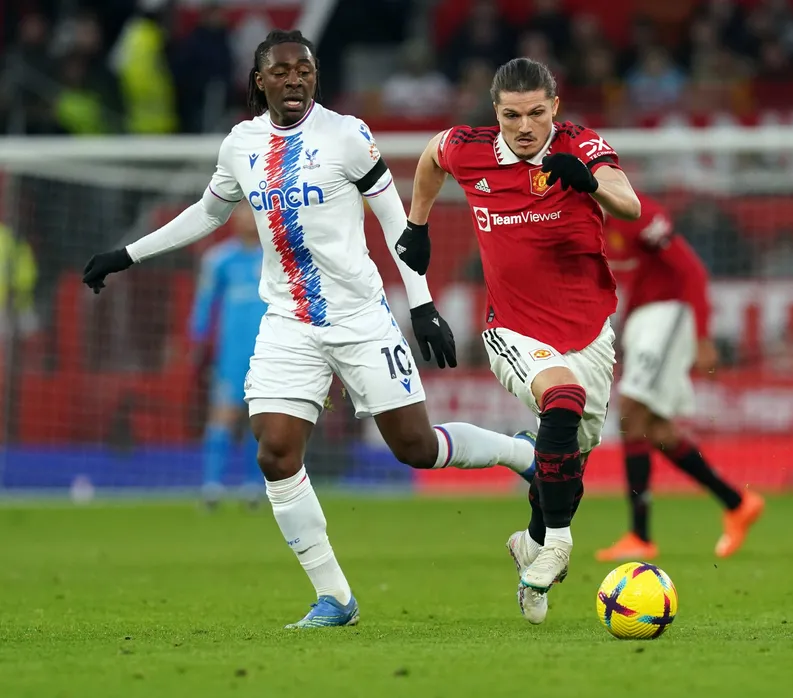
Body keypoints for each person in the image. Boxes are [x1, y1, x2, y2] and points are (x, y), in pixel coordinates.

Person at [82, 30, 538, 629]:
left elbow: (397, 222)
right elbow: (208, 213)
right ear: (260, 80)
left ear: (315, 76)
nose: (294, 78)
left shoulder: (347, 136)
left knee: (416, 448)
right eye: (281, 70)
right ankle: (336, 599)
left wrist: (422, 305)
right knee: (274, 451)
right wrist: (127, 254)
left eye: (304, 69)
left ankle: (519, 451)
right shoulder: (240, 145)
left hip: (359, 317)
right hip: (288, 322)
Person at [395, 57, 642, 624]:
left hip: (589, 329)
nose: (525, 127)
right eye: (511, 116)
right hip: (513, 328)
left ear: (554, 107)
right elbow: (433, 155)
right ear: (496, 113)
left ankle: (530, 542)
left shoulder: (580, 144)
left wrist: (589, 183)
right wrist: (417, 223)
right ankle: (557, 544)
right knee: (563, 400)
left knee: (567, 467)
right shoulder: (471, 148)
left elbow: (628, 203)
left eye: (535, 113)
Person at [596, 192, 764, 563]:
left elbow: (692, 270)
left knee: (630, 415)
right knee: (655, 430)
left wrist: (703, 336)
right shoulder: (587, 221)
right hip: (642, 321)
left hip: (667, 314)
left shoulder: (637, 213)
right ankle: (737, 503)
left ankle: (640, 536)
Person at [189, 202, 266, 508]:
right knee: (223, 415)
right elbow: (204, 303)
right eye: (242, 212)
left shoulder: (275, 257)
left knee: (260, 419)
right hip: (232, 354)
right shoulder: (218, 259)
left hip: (269, 352)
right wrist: (197, 340)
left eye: (253, 212)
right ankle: (212, 487)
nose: (248, 219)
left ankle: (253, 488)